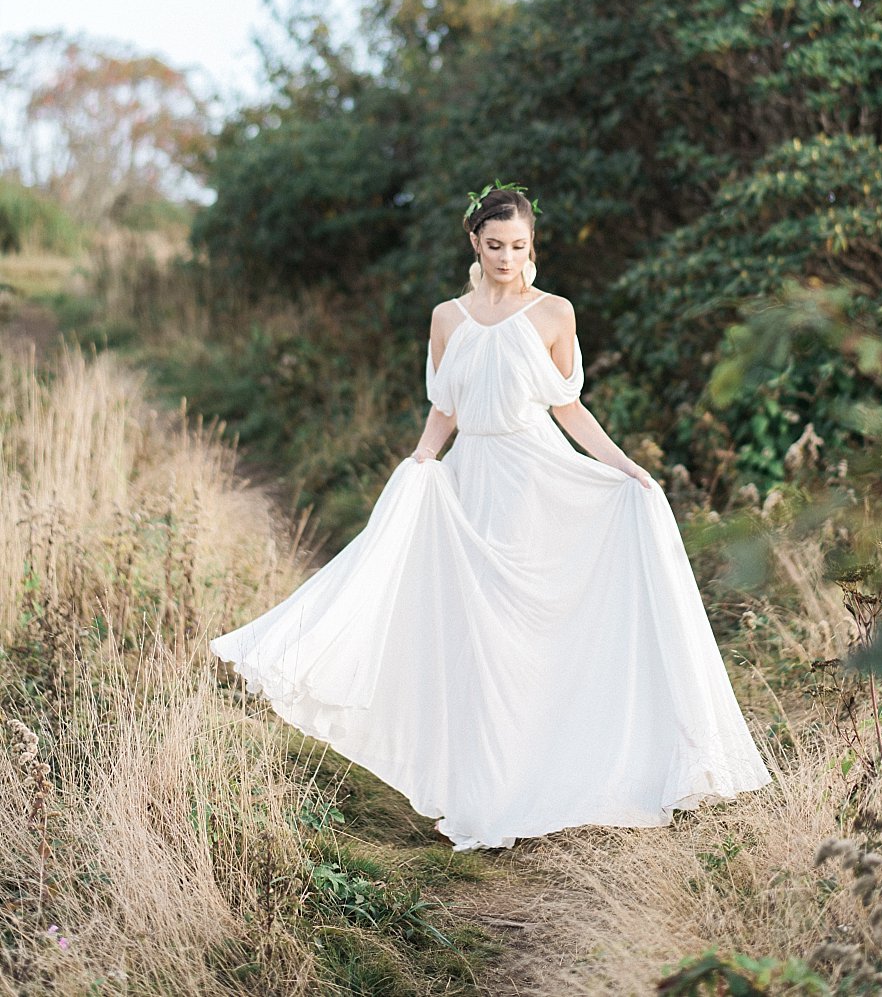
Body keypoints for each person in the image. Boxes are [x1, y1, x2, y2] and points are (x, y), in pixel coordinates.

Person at [210, 183, 771, 850]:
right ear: (476, 241)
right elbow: (444, 405)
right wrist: (420, 462)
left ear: (532, 247)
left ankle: (549, 777)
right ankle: (486, 794)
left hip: (537, 479)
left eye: (520, 246)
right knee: (476, 639)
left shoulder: (555, 312)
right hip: (472, 481)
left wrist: (626, 468)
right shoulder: (447, 317)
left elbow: (569, 407)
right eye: (496, 244)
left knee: (532, 635)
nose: (507, 256)